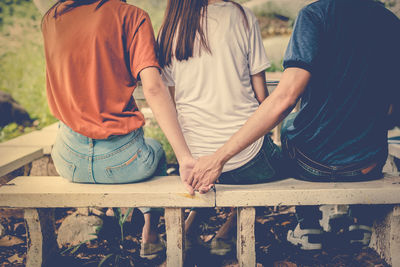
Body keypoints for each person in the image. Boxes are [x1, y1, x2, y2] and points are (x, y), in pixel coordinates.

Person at [186, 0, 400, 250]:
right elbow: (392, 111)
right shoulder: (389, 22)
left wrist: (219, 157)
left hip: (312, 165)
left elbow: (286, 97)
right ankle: (360, 223)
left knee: (290, 127)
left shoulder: (314, 15)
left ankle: (308, 226)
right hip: (366, 165)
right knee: (368, 131)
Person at [41, 0, 195, 260]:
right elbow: (154, 88)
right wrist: (184, 158)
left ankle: (111, 214)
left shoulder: (52, 17)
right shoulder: (132, 17)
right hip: (124, 162)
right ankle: (150, 234)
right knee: (156, 150)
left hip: (68, 159)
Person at [158, 0, 282, 256]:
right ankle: (229, 228)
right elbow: (262, 99)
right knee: (284, 159)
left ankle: (192, 224)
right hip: (248, 163)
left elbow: (170, 102)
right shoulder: (242, 16)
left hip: (193, 164)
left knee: (216, 166)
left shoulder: (170, 27)